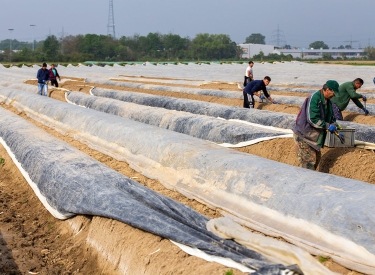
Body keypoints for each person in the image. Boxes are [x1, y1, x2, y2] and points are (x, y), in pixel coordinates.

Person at [293, 80, 343, 170]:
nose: (334, 96)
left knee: (316, 159)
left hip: (313, 137)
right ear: (327, 90)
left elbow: (331, 118)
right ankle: (307, 183)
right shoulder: (315, 98)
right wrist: (327, 126)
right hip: (304, 135)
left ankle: (311, 181)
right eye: (333, 93)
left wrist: (336, 129)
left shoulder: (328, 101)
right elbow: (312, 119)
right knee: (309, 163)